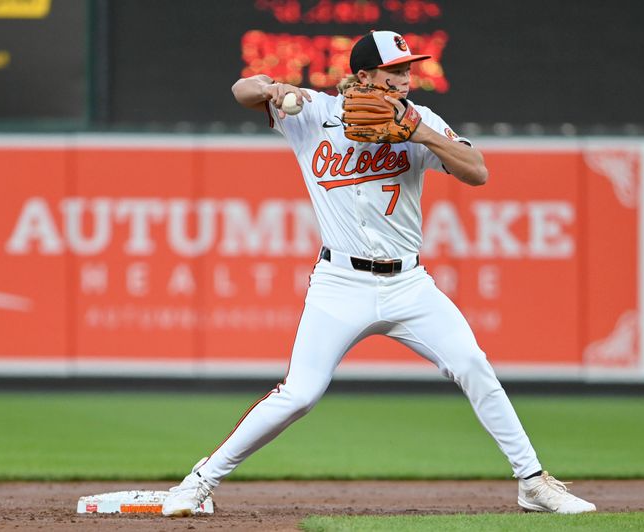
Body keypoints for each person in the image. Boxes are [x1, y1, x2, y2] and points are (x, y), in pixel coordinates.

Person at [162, 30, 596, 517]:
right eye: (396, 72)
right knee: (300, 394)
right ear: (364, 76)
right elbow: (241, 90)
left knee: (473, 365)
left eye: (409, 71)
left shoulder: (421, 119)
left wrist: (420, 132)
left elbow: (477, 171)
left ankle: (533, 483)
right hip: (340, 283)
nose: (406, 81)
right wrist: (275, 89)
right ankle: (200, 480)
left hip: (409, 285)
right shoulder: (314, 113)